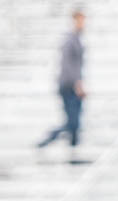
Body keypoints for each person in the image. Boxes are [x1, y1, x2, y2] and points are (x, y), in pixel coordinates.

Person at [36, 9, 86, 154]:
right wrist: (77, 84)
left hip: (72, 85)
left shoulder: (77, 39)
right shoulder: (70, 40)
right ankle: (47, 140)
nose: (83, 24)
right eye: (80, 20)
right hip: (69, 86)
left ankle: (74, 152)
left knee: (75, 124)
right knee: (73, 122)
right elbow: (67, 65)